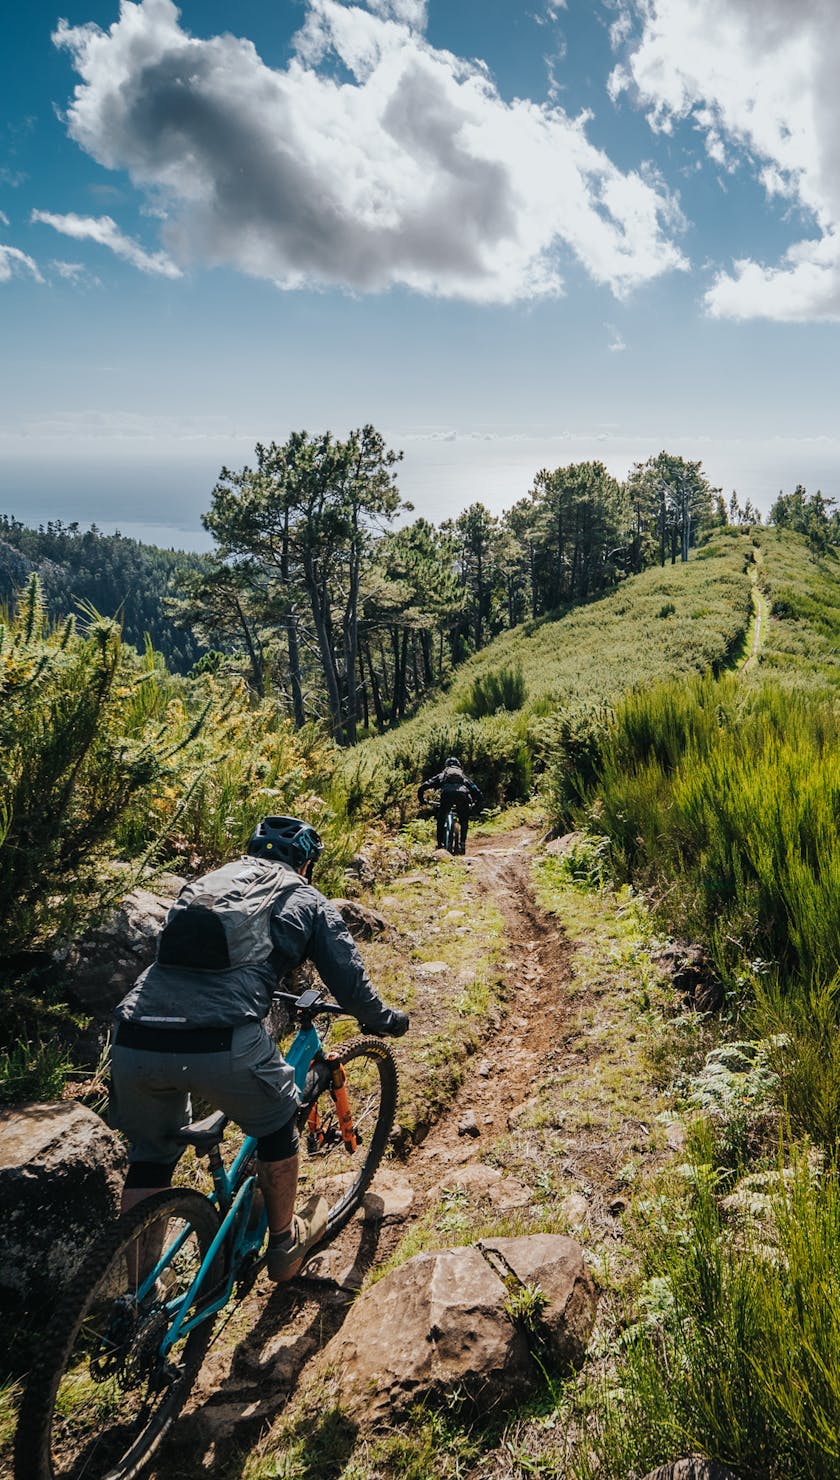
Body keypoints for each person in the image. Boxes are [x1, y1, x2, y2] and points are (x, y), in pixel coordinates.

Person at [109, 815, 409, 1282]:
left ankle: (137, 1292)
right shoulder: (307, 898)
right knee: (278, 1125)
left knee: (149, 1157)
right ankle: (284, 1246)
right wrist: (384, 1019)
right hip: (222, 1040)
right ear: (306, 864)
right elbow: (349, 982)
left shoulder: (207, 884)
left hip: (134, 1036)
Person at [418, 756, 483, 854]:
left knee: (441, 818)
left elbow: (424, 786)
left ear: (446, 766)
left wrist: (422, 800)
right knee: (464, 820)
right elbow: (477, 792)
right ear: (459, 767)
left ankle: (440, 844)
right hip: (462, 796)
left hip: (447, 795)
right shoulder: (463, 777)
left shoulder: (442, 775)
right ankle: (462, 844)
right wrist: (474, 806)